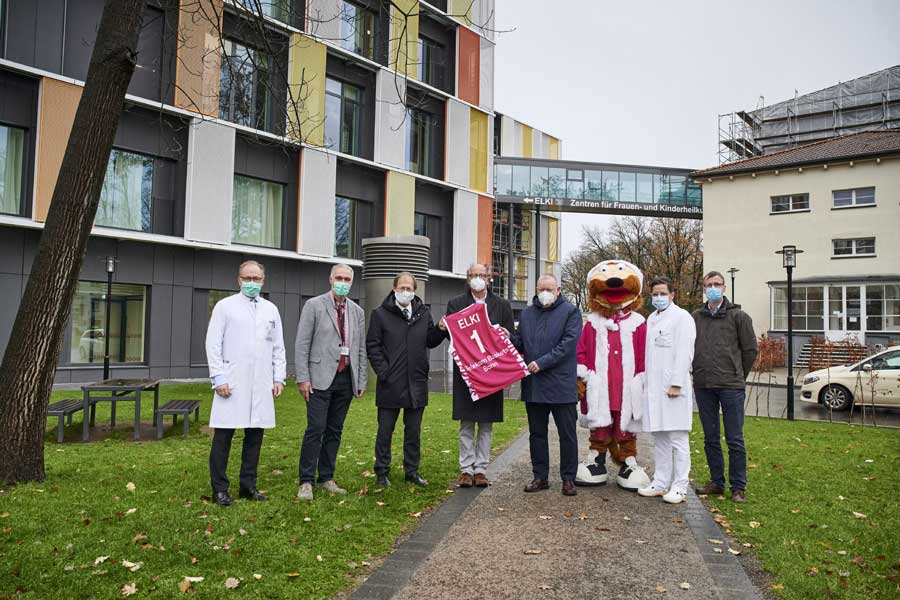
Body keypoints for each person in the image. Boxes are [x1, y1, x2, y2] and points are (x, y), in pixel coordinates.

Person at [206, 260, 286, 507]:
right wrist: (219, 377)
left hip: (260, 383)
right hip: (232, 381)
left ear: (263, 281)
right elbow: (213, 344)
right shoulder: (225, 306)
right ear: (239, 280)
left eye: (257, 279)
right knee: (223, 437)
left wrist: (278, 377)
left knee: (255, 436)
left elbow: (278, 346)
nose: (252, 283)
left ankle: (248, 486)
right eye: (247, 278)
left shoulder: (271, 309)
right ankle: (220, 489)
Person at [295, 264, 367, 500]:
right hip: (318, 378)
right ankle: (306, 480)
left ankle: (326, 477)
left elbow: (360, 349)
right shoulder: (314, 305)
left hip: (346, 379)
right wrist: (303, 377)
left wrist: (361, 379)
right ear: (330, 279)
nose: (343, 282)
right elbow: (302, 343)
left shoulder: (357, 311)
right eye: (339, 278)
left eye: (347, 279)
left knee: (335, 430)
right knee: (316, 428)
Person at [438, 263, 514, 488]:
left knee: (486, 423)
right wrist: (443, 328)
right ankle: (466, 470)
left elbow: (512, 336)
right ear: (467, 278)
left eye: (482, 274)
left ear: (490, 278)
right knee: (467, 422)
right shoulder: (456, 304)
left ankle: (480, 469)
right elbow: (452, 337)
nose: (478, 278)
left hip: (492, 372)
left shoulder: (501, 305)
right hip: (467, 372)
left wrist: (507, 334)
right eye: (473, 275)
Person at [366, 272, 445, 488]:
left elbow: (429, 341)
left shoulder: (423, 314)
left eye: (409, 288)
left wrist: (439, 330)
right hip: (390, 384)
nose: (405, 291)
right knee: (385, 432)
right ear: (394, 289)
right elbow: (373, 346)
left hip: (416, 384)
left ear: (414, 291)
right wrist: (384, 372)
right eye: (401, 287)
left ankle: (412, 471)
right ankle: (382, 472)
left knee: (413, 432)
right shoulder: (380, 314)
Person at [511, 274, 583, 496]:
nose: (545, 292)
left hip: (561, 385)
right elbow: (520, 343)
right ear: (536, 289)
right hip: (534, 386)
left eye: (549, 289)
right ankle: (540, 476)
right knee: (537, 434)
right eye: (541, 288)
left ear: (558, 290)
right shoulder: (527, 314)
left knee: (567, 434)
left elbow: (568, 345)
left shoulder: (571, 312)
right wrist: (506, 337)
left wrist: (541, 363)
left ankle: (568, 478)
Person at [692, 270, 758, 504]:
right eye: (709, 284)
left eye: (717, 284)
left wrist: (738, 373)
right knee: (710, 437)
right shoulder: (696, 317)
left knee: (734, 438)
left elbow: (750, 350)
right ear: (704, 288)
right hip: (704, 385)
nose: (713, 287)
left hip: (730, 386)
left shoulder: (739, 317)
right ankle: (717, 482)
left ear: (724, 288)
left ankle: (738, 487)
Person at [637, 276, 696, 504]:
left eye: (663, 293)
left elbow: (685, 352)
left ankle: (680, 485)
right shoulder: (651, 318)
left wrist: (677, 383)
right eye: (655, 294)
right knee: (659, 437)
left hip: (673, 388)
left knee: (678, 438)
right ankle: (661, 482)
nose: (659, 297)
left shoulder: (682, 318)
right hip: (654, 389)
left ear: (672, 295)